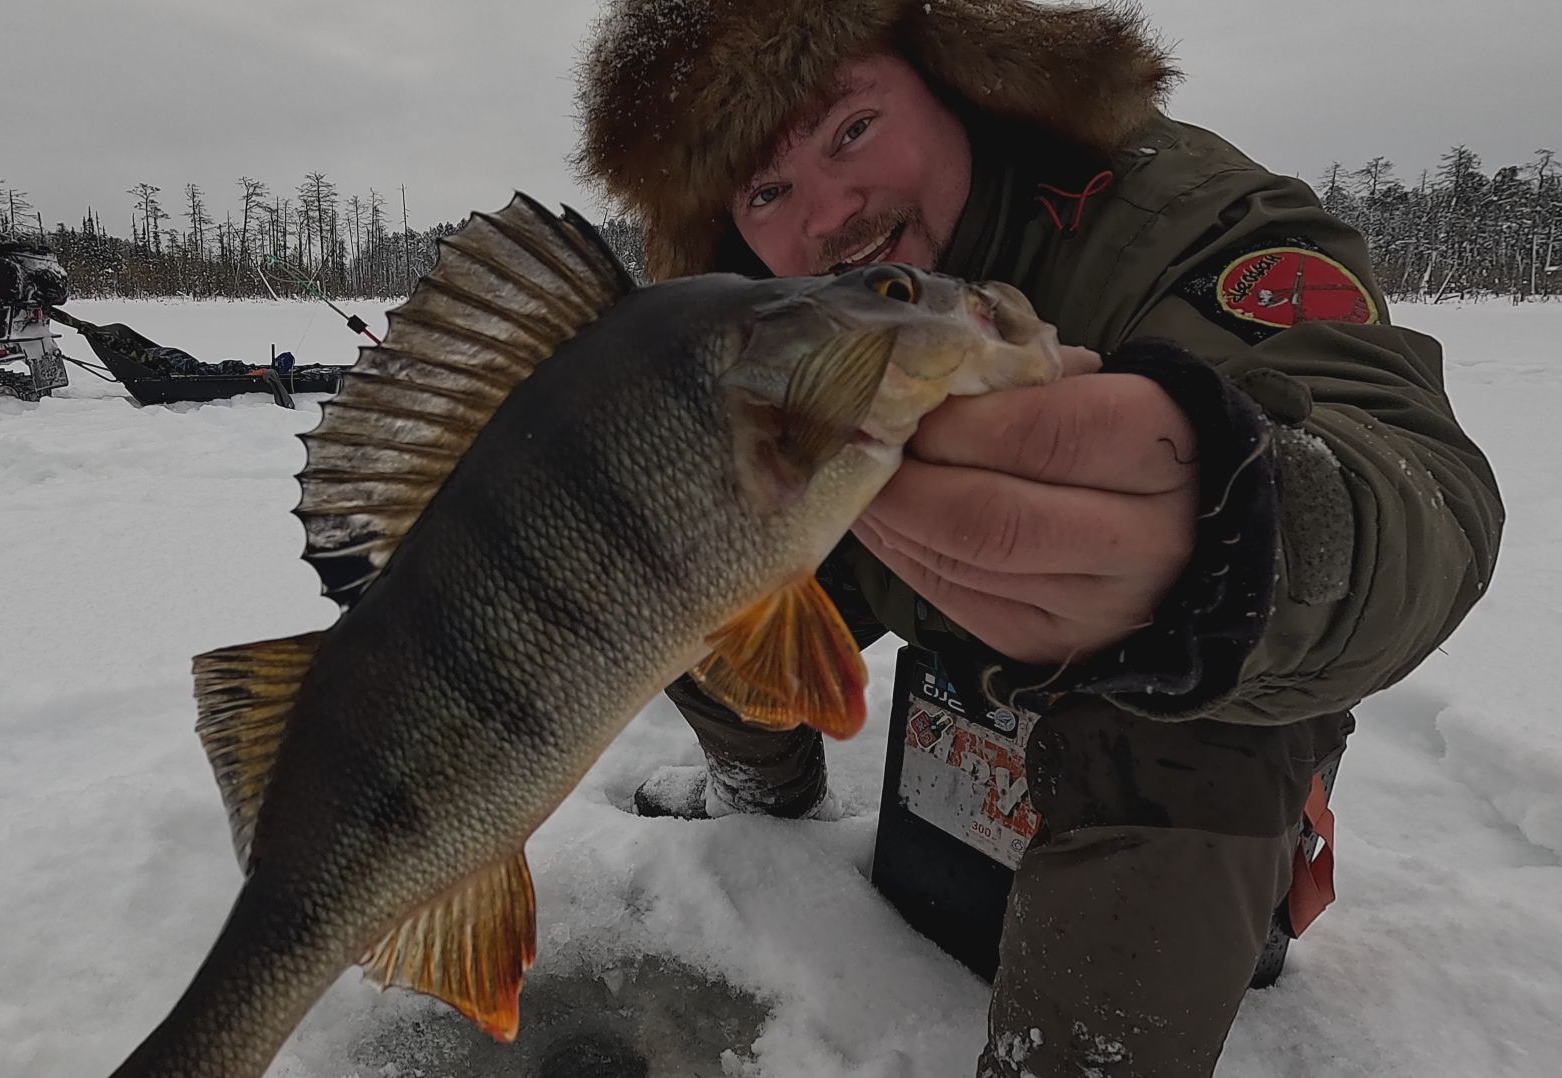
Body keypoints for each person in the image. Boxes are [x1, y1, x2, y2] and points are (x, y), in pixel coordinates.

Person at [571, 1, 1504, 1075]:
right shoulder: (779, 320)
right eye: (769, 191)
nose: (831, 211)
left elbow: (1422, 479)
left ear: (947, 78)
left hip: (1177, 692)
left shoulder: (1172, 206)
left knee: (1185, 702)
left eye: (851, 130)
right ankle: (760, 783)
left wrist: (1242, 530)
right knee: (696, 584)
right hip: (919, 582)